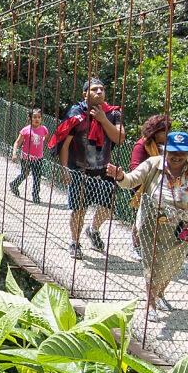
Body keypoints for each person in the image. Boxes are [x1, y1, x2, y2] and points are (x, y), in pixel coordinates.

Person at [107, 132, 188, 322]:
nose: (176, 156)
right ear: (166, 151)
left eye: (181, 153)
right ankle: (150, 304)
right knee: (153, 263)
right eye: (173, 151)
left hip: (184, 227)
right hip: (153, 224)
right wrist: (121, 176)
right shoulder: (153, 164)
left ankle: (159, 293)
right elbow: (132, 180)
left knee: (172, 266)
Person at [126, 115, 188, 260]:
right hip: (145, 187)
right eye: (165, 130)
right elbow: (134, 167)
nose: (168, 133)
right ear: (156, 131)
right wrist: (150, 176)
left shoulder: (170, 146)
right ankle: (136, 246)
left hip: (169, 186)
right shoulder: (143, 145)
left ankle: (162, 249)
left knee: (165, 219)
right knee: (143, 218)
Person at [47, 78, 124, 259]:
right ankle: (75, 242)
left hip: (105, 169)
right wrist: (64, 169)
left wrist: (103, 119)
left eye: (102, 89)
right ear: (85, 94)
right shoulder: (76, 114)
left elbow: (119, 138)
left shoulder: (114, 114)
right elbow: (64, 144)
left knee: (107, 207)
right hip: (80, 170)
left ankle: (93, 229)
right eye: (94, 89)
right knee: (79, 209)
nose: (99, 92)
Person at [10, 108, 48, 204]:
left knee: (37, 177)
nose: (37, 119)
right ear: (29, 118)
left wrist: (42, 141)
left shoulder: (43, 129)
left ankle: (35, 195)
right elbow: (17, 142)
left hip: (38, 158)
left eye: (39, 117)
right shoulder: (26, 130)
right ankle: (14, 184)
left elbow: (46, 136)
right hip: (26, 158)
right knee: (24, 174)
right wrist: (14, 153)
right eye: (34, 117)